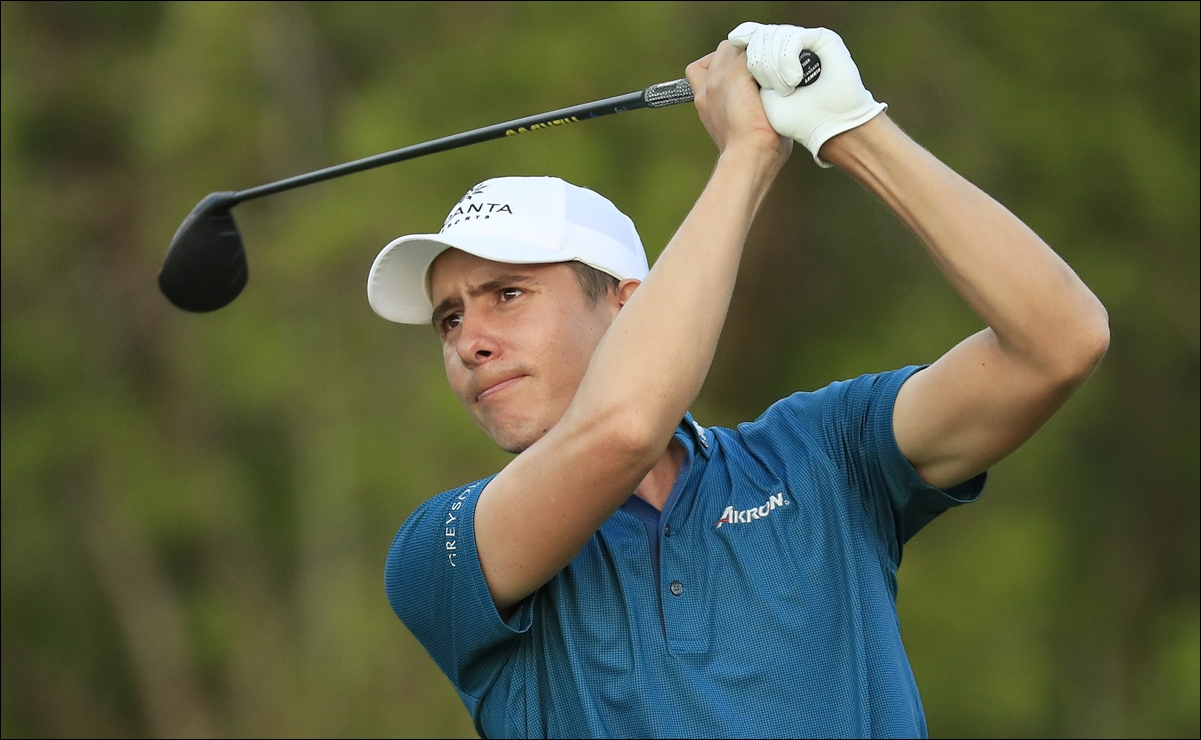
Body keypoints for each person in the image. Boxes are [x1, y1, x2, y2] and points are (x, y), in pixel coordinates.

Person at [367, 22, 1109, 739]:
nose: (470, 343)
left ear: (628, 303)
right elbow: (621, 433)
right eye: (448, 320)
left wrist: (850, 127)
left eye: (506, 294)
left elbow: (1057, 341)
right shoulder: (443, 553)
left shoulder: (821, 455)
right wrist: (747, 155)